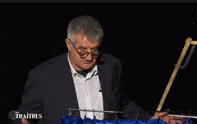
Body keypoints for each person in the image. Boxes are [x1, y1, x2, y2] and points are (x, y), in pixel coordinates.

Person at [12, 15, 182, 124]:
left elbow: (120, 103)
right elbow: (23, 116)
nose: (89, 57)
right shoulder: (43, 75)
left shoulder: (110, 65)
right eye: (83, 50)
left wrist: (148, 118)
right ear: (68, 44)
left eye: (94, 50)